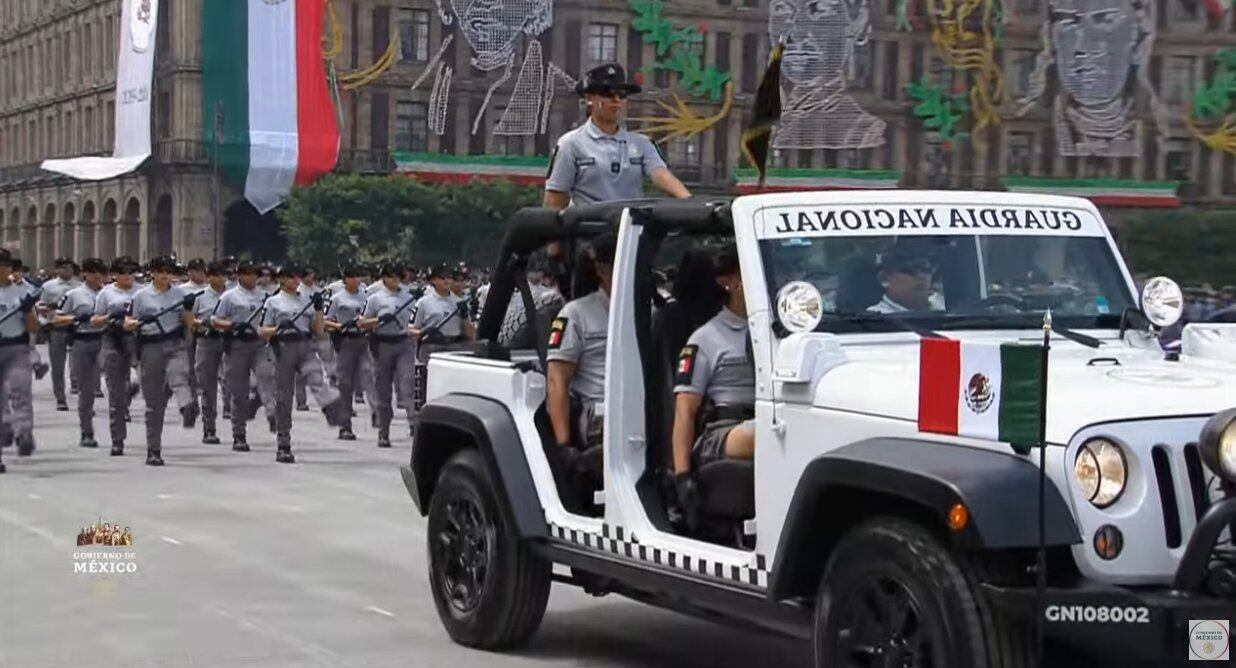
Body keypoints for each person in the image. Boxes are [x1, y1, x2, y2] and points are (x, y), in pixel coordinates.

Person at [670, 245, 755, 512]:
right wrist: (682, 476)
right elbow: (685, 410)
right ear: (726, 281)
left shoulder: (780, 330)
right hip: (722, 431)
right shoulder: (705, 339)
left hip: (775, 419)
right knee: (770, 435)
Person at [543, 64, 692, 210]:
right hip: (589, 230)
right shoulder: (571, 144)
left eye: (621, 95)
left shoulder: (642, 143)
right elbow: (555, 200)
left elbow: (661, 176)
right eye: (608, 93)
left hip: (629, 230)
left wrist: (692, 203)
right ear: (589, 99)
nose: (616, 99)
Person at [543, 233, 616, 497]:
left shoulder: (649, 311)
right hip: (599, 413)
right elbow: (557, 379)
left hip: (642, 411)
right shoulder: (576, 314)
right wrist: (563, 444)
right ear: (601, 268)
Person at [258, 263, 348, 463]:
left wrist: (317, 309)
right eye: (290, 277)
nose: (295, 281)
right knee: (284, 398)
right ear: (281, 279)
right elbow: (262, 332)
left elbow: (319, 330)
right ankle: (283, 444)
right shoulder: (273, 302)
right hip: (282, 348)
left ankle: (332, 409)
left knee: (317, 378)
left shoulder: (306, 300)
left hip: (305, 345)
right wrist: (277, 329)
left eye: (297, 277)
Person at [125, 256, 200, 466]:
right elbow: (127, 323)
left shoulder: (181, 294)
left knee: (180, 375)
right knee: (154, 403)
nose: (165, 275)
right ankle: (153, 449)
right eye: (160, 271)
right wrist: (139, 321)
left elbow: (190, 324)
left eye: (168, 271)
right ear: (153, 273)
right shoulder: (140, 296)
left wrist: (188, 310)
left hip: (174, 343)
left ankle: (187, 407)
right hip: (150, 346)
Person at [212, 262, 274, 452]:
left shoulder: (266, 297)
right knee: (238, 393)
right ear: (239, 276)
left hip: (259, 345)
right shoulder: (229, 297)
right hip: (237, 346)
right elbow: (215, 320)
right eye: (247, 274)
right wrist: (231, 325)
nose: (252, 277)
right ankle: (239, 434)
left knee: (268, 379)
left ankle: (270, 413)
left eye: (255, 274)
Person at [362, 264, 420, 448]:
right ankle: (383, 431)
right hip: (382, 344)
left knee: (408, 383)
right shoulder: (375, 299)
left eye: (399, 276)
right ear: (384, 278)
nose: (396, 280)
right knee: (383, 390)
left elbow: (414, 322)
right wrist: (378, 320)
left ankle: (414, 423)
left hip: (403, 343)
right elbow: (362, 323)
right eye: (392, 276)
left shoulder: (409, 298)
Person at [53, 258, 108, 449]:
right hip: (85, 341)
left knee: (120, 383)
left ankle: (119, 431)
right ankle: (87, 431)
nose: (98, 276)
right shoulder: (74, 295)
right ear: (85, 273)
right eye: (93, 272)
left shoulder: (110, 293)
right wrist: (76, 318)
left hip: (109, 341)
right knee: (87, 389)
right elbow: (57, 318)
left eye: (101, 272)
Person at [93, 258, 139, 456]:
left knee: (150, 382)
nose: (127, 276)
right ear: (115, 274)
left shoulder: (143, 291)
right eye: (122, 272)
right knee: (115, 394)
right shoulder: (106, 293)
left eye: (130, 272)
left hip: (139, 340)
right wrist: (110, 316)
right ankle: (117, 440)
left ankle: (130, 391)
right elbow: (95, 320)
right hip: (113, 341)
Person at [0, 249, 40, 463]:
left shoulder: (22, 293)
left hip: (16, 347)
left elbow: (35, 327)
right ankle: (5, 426)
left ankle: (24, 432)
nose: (2, 269)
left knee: (20, 389)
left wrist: (26, 311)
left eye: (5, 265)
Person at [324, 265, 371, 441]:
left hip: (363, 339)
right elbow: (327, 321)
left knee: (370, 380)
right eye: (351, 276)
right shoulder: (337, 298)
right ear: (345, 280)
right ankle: (345, 426)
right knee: (345, 384)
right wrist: (340, 326)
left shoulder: (366, 297)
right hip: (346, 341)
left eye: (358, 276)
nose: (356, 280)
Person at [191, 262, 229, 445]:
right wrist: (203, 323)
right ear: (209, 276)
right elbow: (190, 320)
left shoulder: (233, 296)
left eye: (224, 274)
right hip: (207, 341)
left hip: (231, 341)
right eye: (217, 274)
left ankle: (237, 427)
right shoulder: (200, 297)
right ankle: (209, 428)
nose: (221, 278)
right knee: (208, 386)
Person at [40, 257, 81, 411]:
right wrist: (45, 323)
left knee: (80, 364)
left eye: (69, 267)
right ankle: (60, 397)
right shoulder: (48, 286)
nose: (67, 270)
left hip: (76, 328)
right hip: (57, 328)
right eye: (63, 267)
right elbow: (41, 307)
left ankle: (83, 397)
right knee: (58, 365)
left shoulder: (80, 285)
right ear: (57, 269)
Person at [866, 246, 945, 313]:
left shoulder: (947, 307)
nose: (922, 276)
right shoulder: (874, 317)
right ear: (884, 279)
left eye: (926, 269)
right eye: (910, 271)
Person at [412, 265, 473, 344]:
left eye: (449, 278)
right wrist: (423, 332)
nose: (446, 281)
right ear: (433, 280)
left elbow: (470, 334)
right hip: (431, 345)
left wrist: (465, 317)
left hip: (454, 345)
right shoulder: (423, 302)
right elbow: (411, 329)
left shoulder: (460, 302)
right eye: (442, 278)